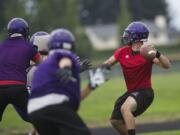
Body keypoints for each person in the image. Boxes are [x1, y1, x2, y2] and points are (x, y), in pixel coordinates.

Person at [102, 21, 171, 135]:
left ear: (137, 36)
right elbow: (109, 62)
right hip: (131, 92)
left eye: (129, 34)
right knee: (115, 121)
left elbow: (167, 65)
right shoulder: (122, 51)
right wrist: (103, 69)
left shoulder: (147, 53)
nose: (126, 36)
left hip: (144, 92)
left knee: (125, 109)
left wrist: (157, 53)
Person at [27, 28, 99, 135]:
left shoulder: (39, 69)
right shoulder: (63, 55)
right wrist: (66, 68)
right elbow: (64, 59)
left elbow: (69, 100)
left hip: (34, 110)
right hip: (52, 107)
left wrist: (90, 86)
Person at [0, 17, 41, 133]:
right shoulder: (29, 47)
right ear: (25, 31)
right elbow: (43, 65)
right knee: (38, 117)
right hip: (18, 89)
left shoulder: (1, 46)